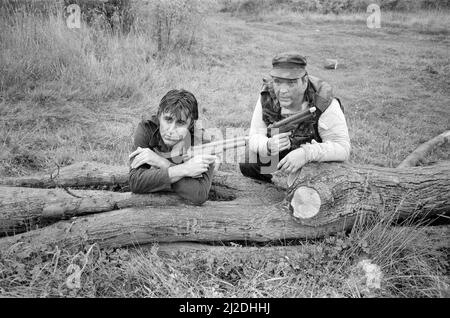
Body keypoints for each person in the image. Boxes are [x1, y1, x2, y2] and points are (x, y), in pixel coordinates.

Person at [239, 52, 351, 186]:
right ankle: (278, 186)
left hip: (314, 158)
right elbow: (255, 136)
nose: (283, 90)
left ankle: (305, 189)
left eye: (291, 83)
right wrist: (268, 145)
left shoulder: (324, 101)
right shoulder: (267, 94)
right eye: (278, 82)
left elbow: (342, 148)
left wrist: (306, 154)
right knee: (248, 161)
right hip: (282, 153)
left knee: (319, 181)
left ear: (304, 81)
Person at [129, 89, 216, 205]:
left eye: (180, 123)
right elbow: (135, 181)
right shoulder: (147, 128)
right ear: (159, 116)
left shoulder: (202, 140)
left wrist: (161, 163)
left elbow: (199, 194)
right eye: (168, 119)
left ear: (190, 124)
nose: (171, 130)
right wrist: (184, 169)